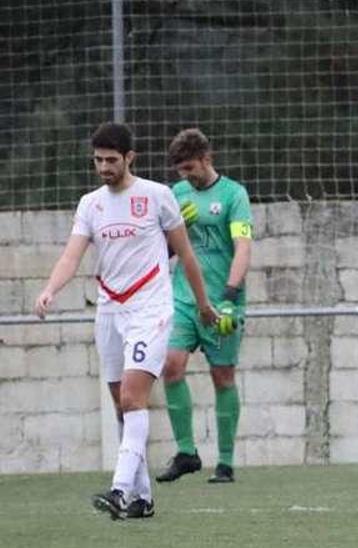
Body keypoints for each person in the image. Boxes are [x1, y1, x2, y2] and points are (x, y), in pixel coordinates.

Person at [34, 122, 217, 519]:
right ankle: (142, 498)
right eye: (98, 160)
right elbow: (72, 255)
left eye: (111, 160)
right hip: (109, 310)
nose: (104, 167)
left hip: (149, 310)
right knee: (123, 406)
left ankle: (119, 490)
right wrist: (51, 289)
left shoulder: (157, 196)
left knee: (134, 398)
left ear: (129, 158)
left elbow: (185, 255)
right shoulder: (90, 204)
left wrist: (203, 305)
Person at [155, 128, 253, 484]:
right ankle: (186, 452)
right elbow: (164, 252)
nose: (186, 176)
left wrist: (228, 296)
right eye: (180, 170)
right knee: (171, 365)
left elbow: (243, 247)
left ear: (207, 160)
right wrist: (175, 233)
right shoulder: (176, 195)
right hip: (183, 298)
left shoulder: (233, 195)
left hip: (223, 300)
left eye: (191, 168)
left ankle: (225, 462)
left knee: (222, 376)